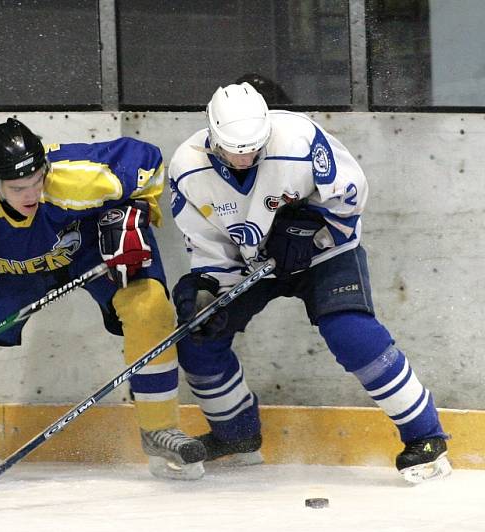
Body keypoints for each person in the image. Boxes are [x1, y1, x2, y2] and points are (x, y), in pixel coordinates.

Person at [0, 118, 206, 480]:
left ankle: (159, 429)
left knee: (149, 306)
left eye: (38, 181)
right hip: (2, 273)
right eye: (19, 188)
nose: (32, 194)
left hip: (86, 253)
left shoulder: (76, 176)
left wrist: (130, 213)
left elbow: (147, 162)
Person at [167, 82, 452, 484]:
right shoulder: (187, 168)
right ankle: (236, 437)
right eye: (236, 148)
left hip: (326, 253)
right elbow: (209, 246)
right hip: (254, 264)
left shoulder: (300, 138)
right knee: (199, 338)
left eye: (254, 146)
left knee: (350, 332)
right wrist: (207, 289)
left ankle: (426, 437)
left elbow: (351, 195)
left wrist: (309, 226)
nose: (246, 157)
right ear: (213, 136)